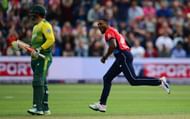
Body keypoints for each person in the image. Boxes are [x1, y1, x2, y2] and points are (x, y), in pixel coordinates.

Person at [89, 20, 170, 112]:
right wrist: (125, 52)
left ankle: (160, 81)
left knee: (133, 80)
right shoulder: (114, 30)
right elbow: (128, 44)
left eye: (100, 27)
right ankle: (102, 104)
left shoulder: (108, 32)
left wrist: (105, 57)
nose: (100, 30)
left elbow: (113, 46)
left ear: (105, 26)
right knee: (107, 78)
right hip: (123, 56)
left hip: (123, 57)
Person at [27, 4, 55, 115]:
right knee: (42, 82)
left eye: (33, 15)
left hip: (44, 58)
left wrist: (40, 49)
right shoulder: (35, 27)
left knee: (37, 80)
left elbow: (51, 39)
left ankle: (38, 108)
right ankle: (45, 108)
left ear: (37, 14)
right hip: (36, 58)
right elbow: (35, 44)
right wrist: (27, 47)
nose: (31, 17)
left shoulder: (45, 25)